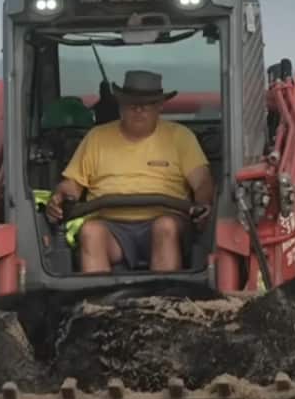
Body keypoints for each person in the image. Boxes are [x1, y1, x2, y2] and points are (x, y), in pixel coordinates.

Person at [46, 70, 214, 272]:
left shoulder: (180, 137)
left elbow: (202, 182)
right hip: (111, 227)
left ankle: (166, 298)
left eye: (147, 104)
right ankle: (98, 301)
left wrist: (204, 204)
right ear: (121, 105)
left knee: (165, 227)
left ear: (160, 106)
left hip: (167, 222)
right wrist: (59, 195)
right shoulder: (97, 138)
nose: (139, 109)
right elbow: (72, 184)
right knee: (90, 231)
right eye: (132, 103)